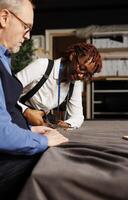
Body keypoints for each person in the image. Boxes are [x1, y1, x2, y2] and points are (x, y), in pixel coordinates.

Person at [0, 0, 68, 199]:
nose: (28, 35)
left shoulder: (4, 58)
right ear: (4, 18)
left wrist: (29, 130)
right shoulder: (38, 66)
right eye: (26, 27)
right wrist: (41, 140)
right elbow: (1, 134)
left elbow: (6, 108)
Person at [16, 42, 102, 129]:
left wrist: (66, 124)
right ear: (72, 56)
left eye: (86, 74)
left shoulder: (74, 84)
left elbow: (78, 116)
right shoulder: (42, 66)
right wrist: (25, 111)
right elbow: (6, 89)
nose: (81, 75)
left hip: (38, 125)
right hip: (15, 114)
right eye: (82, 68)